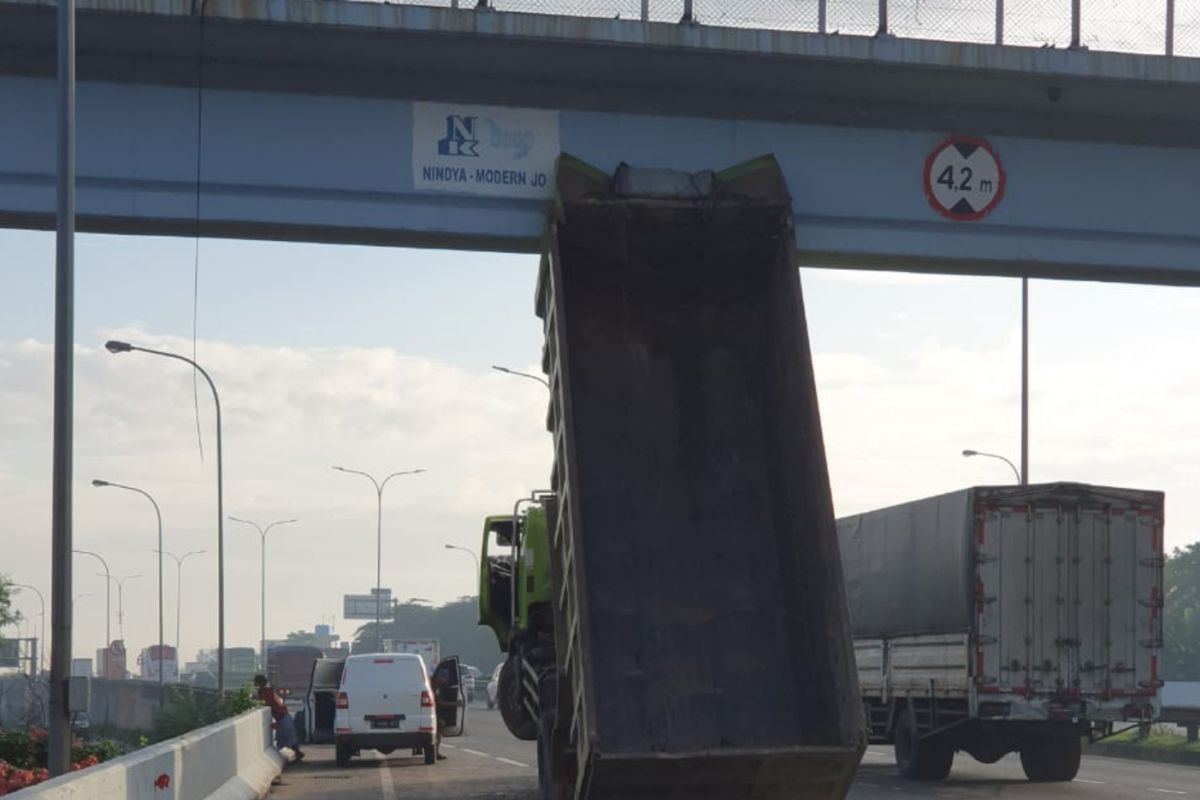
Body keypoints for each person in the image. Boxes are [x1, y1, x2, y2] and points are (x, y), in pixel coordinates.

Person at [255, 674, 304, 762]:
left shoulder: (265, 692)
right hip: (282, 715)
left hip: (282, 716)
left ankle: (297, 754)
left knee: (287, 736)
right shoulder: (268, 691)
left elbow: (264, 703)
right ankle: (297, 754)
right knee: (286, 737)